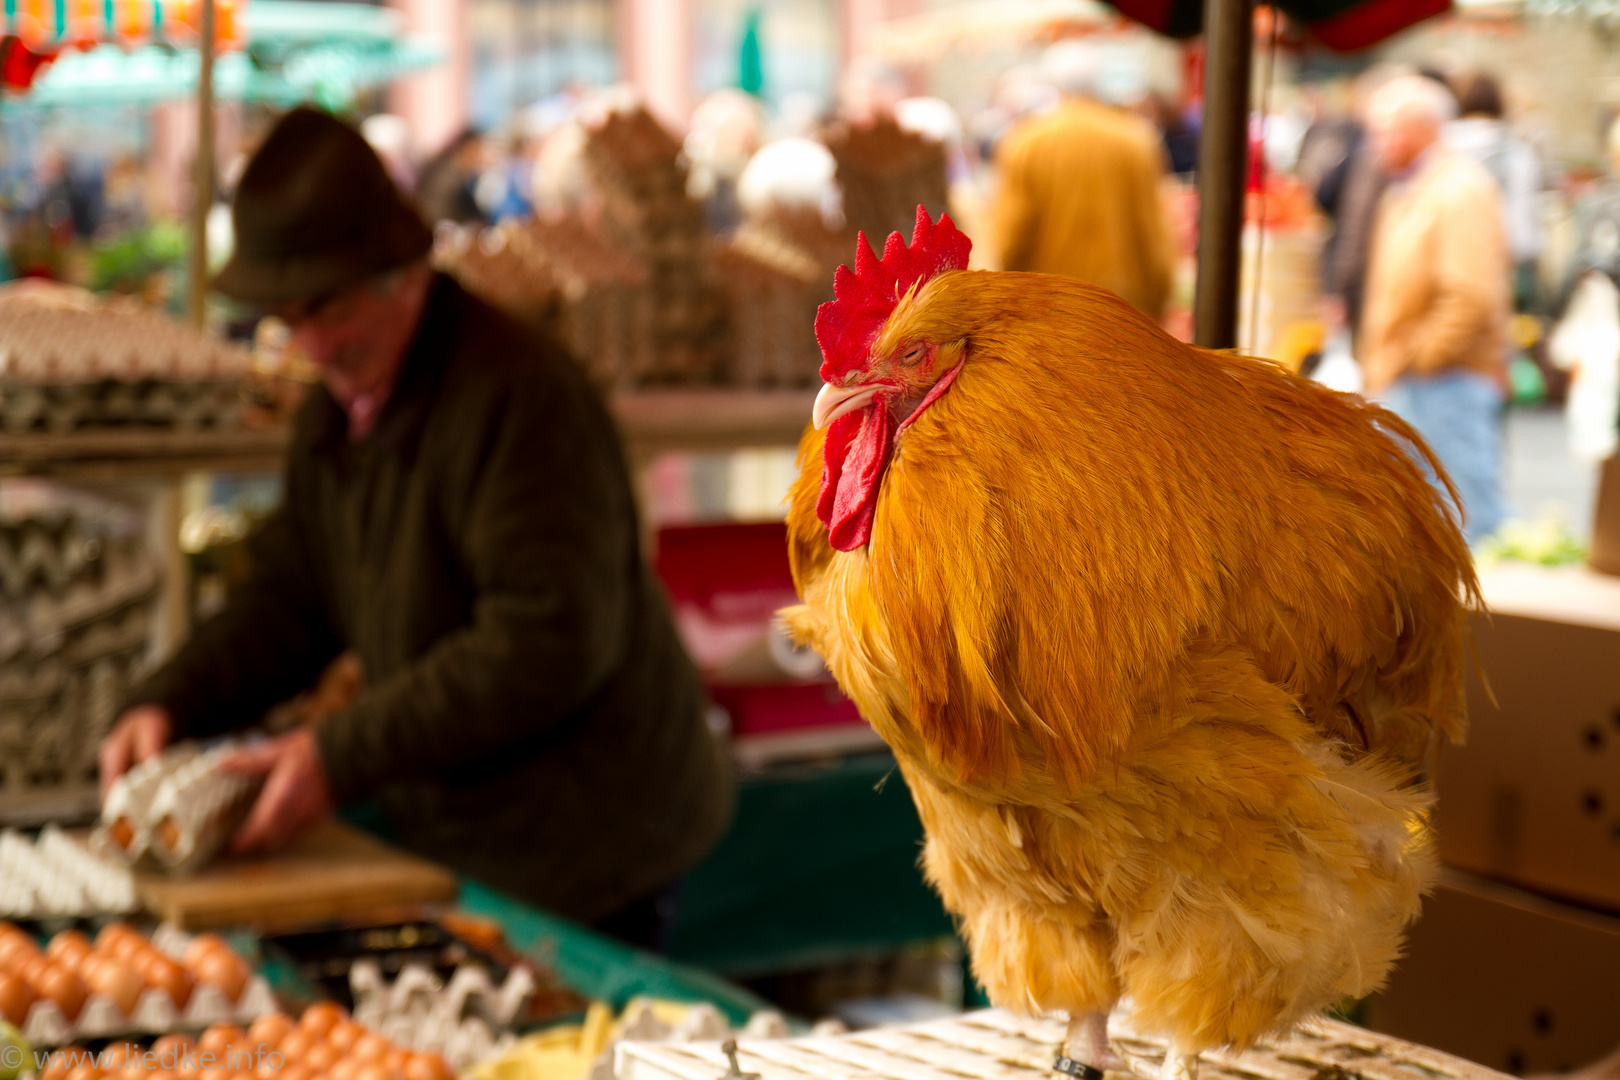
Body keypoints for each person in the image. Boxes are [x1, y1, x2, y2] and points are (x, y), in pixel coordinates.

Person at [98, 107, 734, 947]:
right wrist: (173, 698)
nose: (313, 345)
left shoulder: (520, 397)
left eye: (326, 308)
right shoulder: (334, 416)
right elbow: (295, 597)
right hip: (466, 830)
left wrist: (338, 754)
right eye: (289, 318)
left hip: (590, 839)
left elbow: (547, 641)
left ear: (400, 271)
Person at [1360, 75, 1512, 544]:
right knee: (1425, 527)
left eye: (1384, 129)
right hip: (1417, 379)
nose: (1376, 142)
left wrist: (1420, 357)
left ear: (1421, 129)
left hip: (1444, 382)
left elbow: (1470, 296)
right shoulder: (1414, 186)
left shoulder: (1458, 188)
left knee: (1467, 525)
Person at [990, 39, 1174, 320]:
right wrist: (1160, 299)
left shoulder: (1026, 142)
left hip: (1052, 310)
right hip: (1126, 310)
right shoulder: (1136, 138)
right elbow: (1153, 230)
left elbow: (1012, 237)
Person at [1445, 72, 1543, 311]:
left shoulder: (1441, 148)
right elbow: (1522, 225)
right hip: (1498, 265)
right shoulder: (1518, 153)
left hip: (1448, 261)